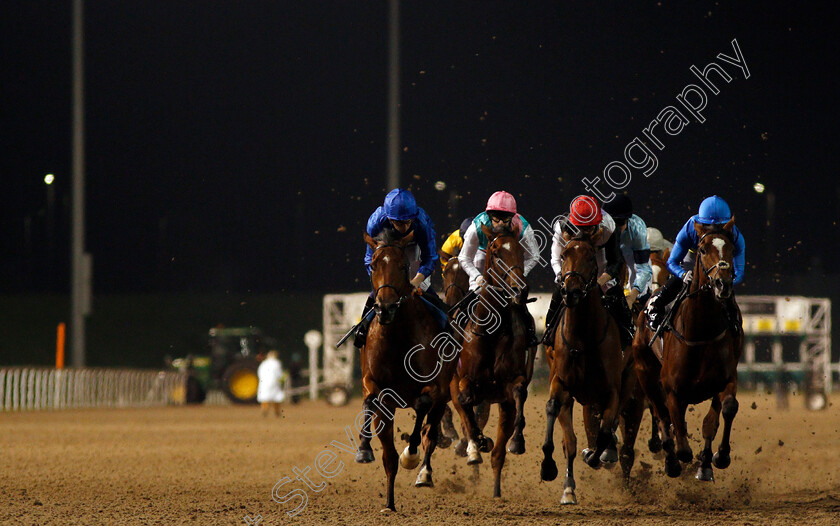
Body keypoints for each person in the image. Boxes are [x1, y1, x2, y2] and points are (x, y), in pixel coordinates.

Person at [354, 188, 446, 348]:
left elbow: (430, 258)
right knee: (383, 290)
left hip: (413, 248)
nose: (403, 227)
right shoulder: (375, 222)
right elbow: (370, 259)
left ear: (413, 217)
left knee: (424, 289)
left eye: (407, 222)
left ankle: (445, 324)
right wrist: (379, 282)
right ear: (389, 218)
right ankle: (362, 329)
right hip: (386, 250)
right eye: (398, 222)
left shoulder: (422, 222)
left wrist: (417, 281)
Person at [644, 195, 746, 331]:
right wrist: (682, 274)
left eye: (719, 227)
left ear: (726, 225)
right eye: (708, 227)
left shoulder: (736, 236)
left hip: (716, 261)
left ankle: (734, 322)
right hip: (692, 256)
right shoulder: (689, 228)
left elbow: (739, 272)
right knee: (678, 281)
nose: (713, 231)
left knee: (726, 290)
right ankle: (655, 306)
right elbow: (671, 262)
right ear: (700, 224)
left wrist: (726, 279)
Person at [458, 191, 540, 346]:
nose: (501, 224)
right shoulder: (477, 226)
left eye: (505, 219)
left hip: (510, 260)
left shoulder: (523, 227)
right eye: (496, 218)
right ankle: (454, 341)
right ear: (489, 215)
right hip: (483, 256)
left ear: (513, 217)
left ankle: (529, 335)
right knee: (466, 306)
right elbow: (464, 258)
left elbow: (534, 256)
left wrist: (518, 275)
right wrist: (477, 278)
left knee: (521, 307)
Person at [542, 195, 625, 346]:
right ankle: (549, 330)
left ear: (598, 223)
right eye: (580, 228)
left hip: (599, 255)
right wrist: (562, 277)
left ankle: (628, 331)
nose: (584, 232)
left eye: (589, 228)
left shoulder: (609, 227)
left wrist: (601, 281)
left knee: (614, 290)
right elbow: (555, 259)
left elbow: (615, 261)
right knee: (559, 291)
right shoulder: (561, 227)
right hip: (572, 258)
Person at [602, 194, 653, 334]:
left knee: (643, 297)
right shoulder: (599, 227)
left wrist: (633, 295)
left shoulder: (637, 228)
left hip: (630, 256)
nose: (616, 229)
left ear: (628, 220)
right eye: (612, 223)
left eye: (619, 223)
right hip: (605, 260)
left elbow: (642, 268)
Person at [257, 350, 286, 417]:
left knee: (265, 397)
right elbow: (279, 374)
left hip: (264, 382)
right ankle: (277, 411)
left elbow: (259, 373)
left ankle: (264, 409)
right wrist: (282, 379)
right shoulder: (277, 363)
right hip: (274, 382)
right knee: (276, 397)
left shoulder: (263, 364)